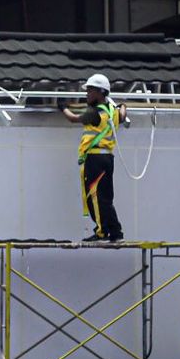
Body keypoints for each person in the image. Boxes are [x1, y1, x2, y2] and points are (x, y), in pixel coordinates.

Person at [62, 73, 127, 242]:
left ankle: (101, 232)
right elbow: (122, 111)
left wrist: (62, 107)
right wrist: (123, 105)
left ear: (100, 92)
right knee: (106, 198)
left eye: (90, 91)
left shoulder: (94, 113)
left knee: (95, 196)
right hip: (107, 159)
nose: (87, 94)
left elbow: (73, 118)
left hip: (95, 160)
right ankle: (116, 232)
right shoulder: (113, 111)